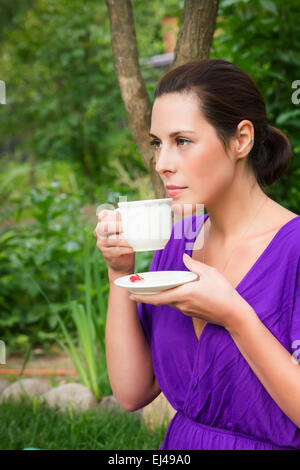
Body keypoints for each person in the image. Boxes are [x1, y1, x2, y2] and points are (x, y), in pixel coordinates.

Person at [94, 59, 300, 450]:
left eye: (182, 141)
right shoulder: (181, 240)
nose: (162, 164)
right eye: (158, 143)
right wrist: (118, 273)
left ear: (241, 140)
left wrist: (235, 316)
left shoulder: (295, 250)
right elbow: (131, 392)